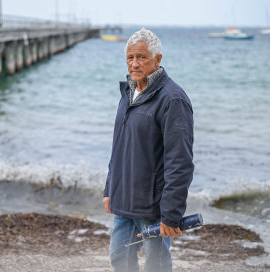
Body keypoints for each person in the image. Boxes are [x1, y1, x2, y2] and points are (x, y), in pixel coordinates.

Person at [103, 28, 194, 272]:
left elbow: (180, 161)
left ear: (157, 59)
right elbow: (118, 147)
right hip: (123, 201)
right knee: (118, 259)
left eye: (141, 57)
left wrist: (171, 213)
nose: (134, 64)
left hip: (153, 206)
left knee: (156, 266)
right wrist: (109, 188)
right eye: (130, 58)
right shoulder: (128, 93)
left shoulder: (173, 99)